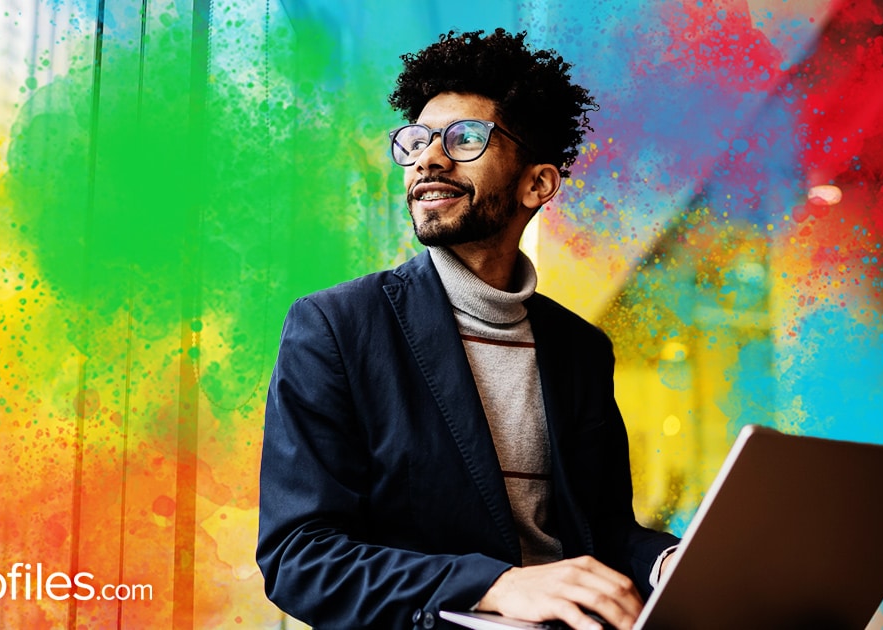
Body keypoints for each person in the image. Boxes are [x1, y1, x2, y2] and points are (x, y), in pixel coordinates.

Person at [256, 29, 680, 630]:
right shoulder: (336, 327)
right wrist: (496, 586)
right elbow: (300, 558)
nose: (429, 157)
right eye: (418, 141)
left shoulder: (580, 349)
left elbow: (600, 529)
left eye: (466, 138)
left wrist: (664, 562)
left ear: (538, 183)